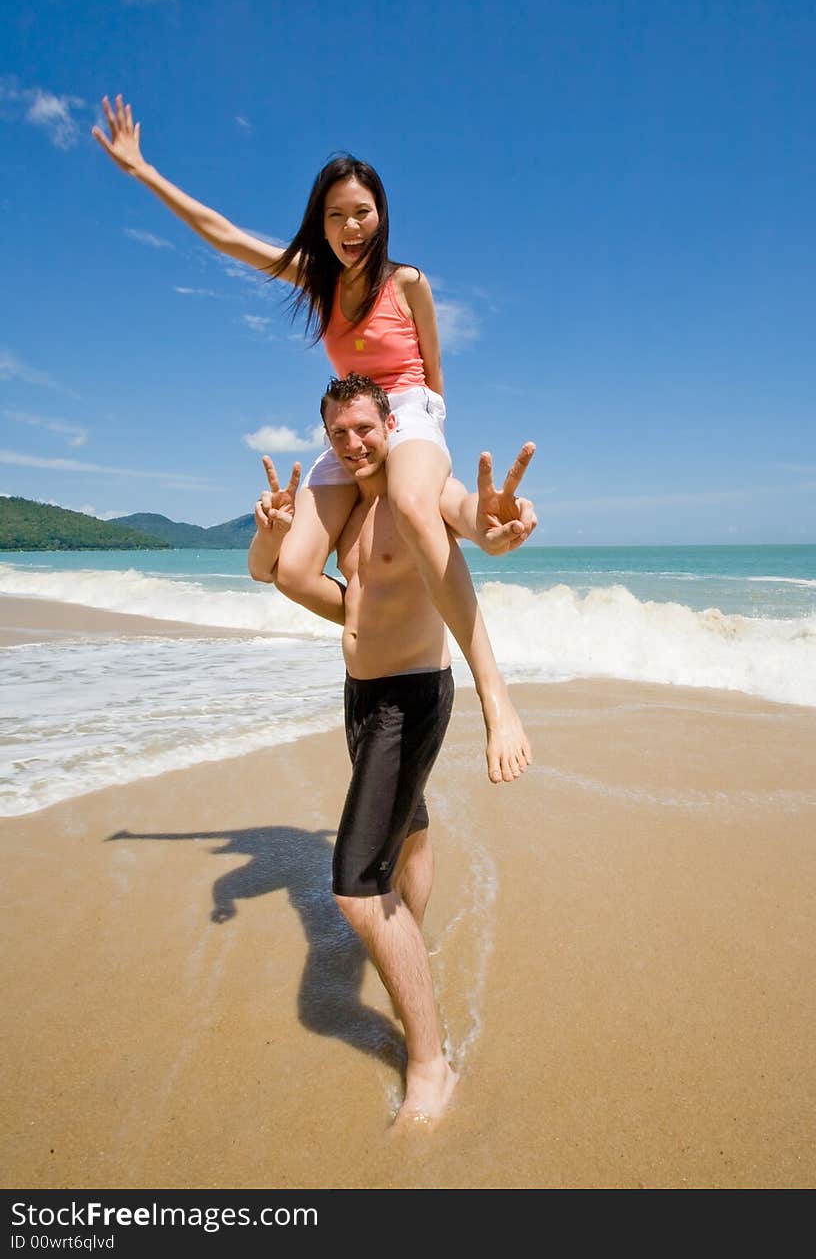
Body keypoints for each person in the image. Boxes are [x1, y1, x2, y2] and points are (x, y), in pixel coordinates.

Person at [92, 96, 531, 783]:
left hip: (410, 409)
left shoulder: (408, 282)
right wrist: (144, 172)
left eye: (362, 211)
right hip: (355, 418)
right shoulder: (315, 280)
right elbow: (225, 234)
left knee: (417, 508)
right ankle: (380, 623)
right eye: (335, 214)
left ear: (380, 214)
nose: (351, 225)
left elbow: (435, 374)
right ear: (318, 224)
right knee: (289, 570)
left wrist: (430, 441)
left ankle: (495, 696)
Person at [248, 373, 537, 1124]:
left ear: (390, 424)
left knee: (354, 887)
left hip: (409, 701)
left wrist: (492, 521)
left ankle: (430, 1065)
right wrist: (274, 536)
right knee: (407, 825)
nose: (353, 443)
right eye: (339, 434)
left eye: (365, 429)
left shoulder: (417, 491)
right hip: (361, 693)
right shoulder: (343, 503)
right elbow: (273, 574)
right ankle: (407, 937)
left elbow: (467, 518)